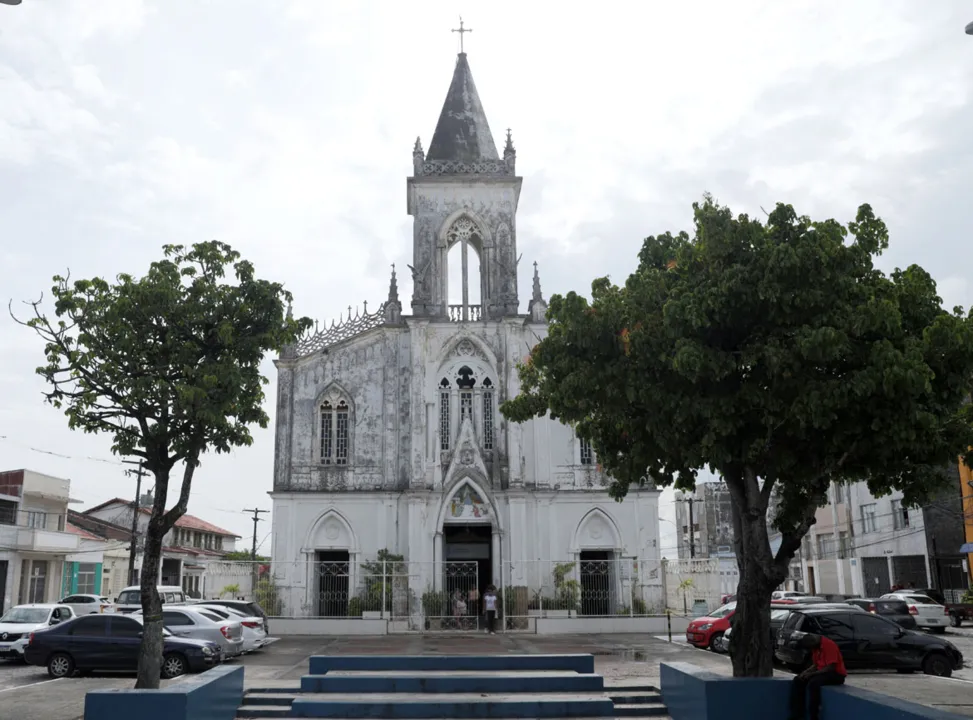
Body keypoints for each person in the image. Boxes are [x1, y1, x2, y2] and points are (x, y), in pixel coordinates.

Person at [789, 633, 846, 720]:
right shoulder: (816, 646)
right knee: (798, 680)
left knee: (814, 683)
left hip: (836, 674)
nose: (811, 650)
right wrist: (805, 672)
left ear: (813, 642)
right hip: (823, 672)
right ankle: (797, 714)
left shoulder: (829, 645)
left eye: (811, 647)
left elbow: (831, 667)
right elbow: (815, 665)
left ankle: (814, 715)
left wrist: (812, 674)